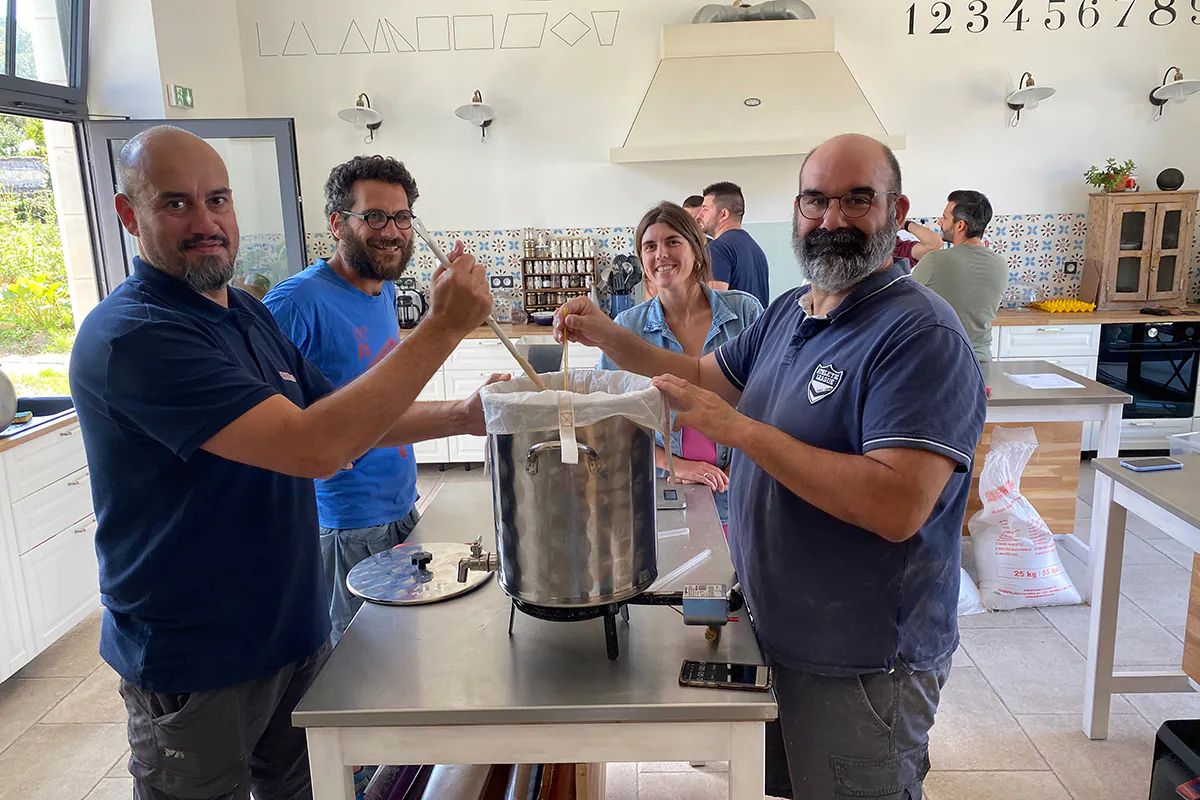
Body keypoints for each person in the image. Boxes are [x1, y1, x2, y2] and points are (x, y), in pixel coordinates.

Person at [69, 126, 496, 800]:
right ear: (128, 215)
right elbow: (314, 449)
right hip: (198, 656)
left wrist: (463, 416)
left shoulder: (243, 312)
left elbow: (338, 416)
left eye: (218, 200)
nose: (206, 222)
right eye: (176, 204)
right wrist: (443, 328)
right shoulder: (137, 336)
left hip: (292, 630)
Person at [555, 133, 986, 799]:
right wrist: (609, 334)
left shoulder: (919, 334)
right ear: (796, 209)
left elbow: (897, 505)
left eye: (857, 200)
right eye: (816, 201)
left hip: (862, 658)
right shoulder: (791, 310)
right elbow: (704, 377)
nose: (832, 219)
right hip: (782, 631)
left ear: (897, 212)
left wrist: (738, 431)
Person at [264, 156, 463, 648]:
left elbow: (380, 410)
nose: (392, 231)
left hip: (401, 506)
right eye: (374, 216)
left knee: (403, 650)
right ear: (337, 223)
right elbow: (272, 429)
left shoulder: (384, 291)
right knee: (358, 662)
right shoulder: (294, 304)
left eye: (402, 217)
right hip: (343, 524)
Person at [597, 201, 763, 527]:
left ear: (696, 249)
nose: (661, 254)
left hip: (740, 487)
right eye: (650, 246)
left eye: (672, 241)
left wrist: (746, 462)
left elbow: (770, 400)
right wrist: (672, 463)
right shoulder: (627, 327)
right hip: (666, 491)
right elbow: (610, 418)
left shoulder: (745, 312)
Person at [911, 190, 1008, 362]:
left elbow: (905, 305)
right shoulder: (1001, 264)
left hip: (943, 361)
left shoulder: (934, 260)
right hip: (980, 361)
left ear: (960, 225)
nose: (940, 222)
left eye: (945, 217)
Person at [697, 181, 770, 306]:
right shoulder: (756, 250)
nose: (700, 215)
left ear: (723, 214)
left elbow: (713, 306)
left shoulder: (717, 249)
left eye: (705, 209)